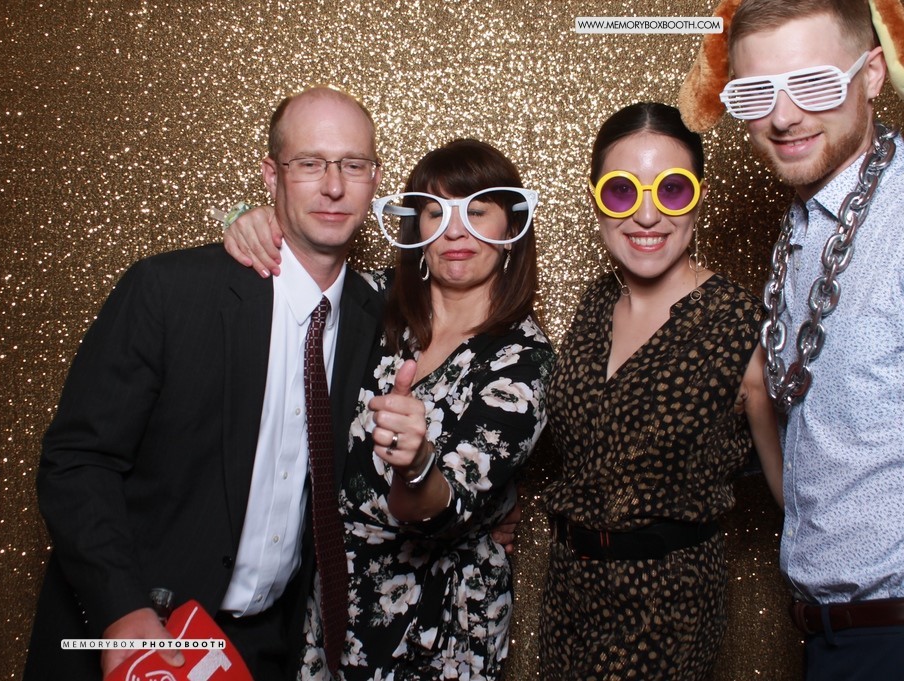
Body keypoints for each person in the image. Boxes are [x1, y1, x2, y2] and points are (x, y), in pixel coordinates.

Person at [24, 86, 385, 681]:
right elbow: (77, 461)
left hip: (268, 648)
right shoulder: (169, 292)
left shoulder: (375, 317)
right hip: (139, 634)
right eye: (309, 163)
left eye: (353, 164)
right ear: (271, 174)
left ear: (374, 179)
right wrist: (122, 611)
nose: (333, 186)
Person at [225, 139, 555, 679]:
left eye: (476, 211)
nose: (454, 231)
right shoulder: (369, 301)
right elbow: (295, 274)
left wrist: (418, 464)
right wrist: (247, 221)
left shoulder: (524, 360)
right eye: (435, 212)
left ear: (512, 228)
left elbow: (444, 506)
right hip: (332, 593)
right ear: (416, 229)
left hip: (440, 620)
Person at [538, 102, 783, 680]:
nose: (647, 215)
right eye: (622, 191)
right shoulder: (596, 303)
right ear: (597, 200)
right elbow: (590, 448)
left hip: (666, 603)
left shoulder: (740, 324)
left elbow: (797, 495)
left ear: (698, 199)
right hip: (567, 592)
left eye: (672, 190)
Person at [711, 0, 904, 677]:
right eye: (755, 93)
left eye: (814, 83)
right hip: (832, 635)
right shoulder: (807, 223)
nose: (784, 116)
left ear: (871, 74)